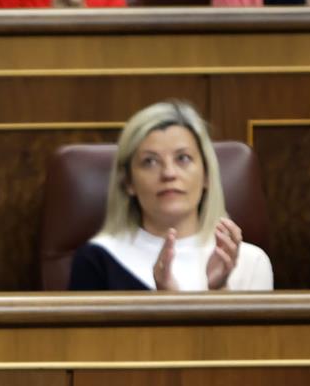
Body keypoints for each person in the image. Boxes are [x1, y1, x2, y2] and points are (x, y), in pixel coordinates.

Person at [69, 101, 273, 291]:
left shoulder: (249, 262)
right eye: (150, 161)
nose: (169, 173)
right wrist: (164, 304)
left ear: (207, 175)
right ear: (128, 182)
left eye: (183, 158)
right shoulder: (97, 259)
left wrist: (218, 293)